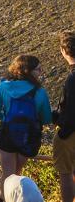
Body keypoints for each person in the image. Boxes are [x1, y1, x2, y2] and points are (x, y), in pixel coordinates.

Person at [0, 55, 52, 202]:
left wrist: (7, 117)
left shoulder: (3, 87)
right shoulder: (39, 92)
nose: (41, 72)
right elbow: (46, 118)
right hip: (29, 137)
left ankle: (2, 198)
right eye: (38, 69)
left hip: (6, 134)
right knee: (17, 173)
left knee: (7, 173)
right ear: (27, 71)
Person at [53, 31, 75, 202]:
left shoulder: (72, 79)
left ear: (64, 51)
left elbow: (70, 111)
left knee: (66, 174)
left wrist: (63, 132)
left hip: (70, 133)